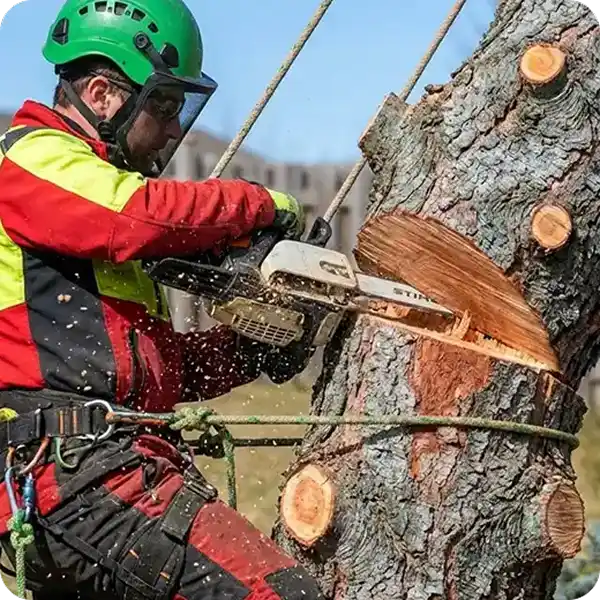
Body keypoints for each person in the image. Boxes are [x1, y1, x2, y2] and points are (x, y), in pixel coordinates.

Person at [0, 0, 324, 599]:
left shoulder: (89, 222)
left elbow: (160, 370)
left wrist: (251, 350)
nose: (176, 129)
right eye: (167, 106)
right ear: (102, 93)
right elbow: (138, 215)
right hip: (73, 474)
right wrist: (262, 205)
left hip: (102, 469)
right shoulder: (29, 160)